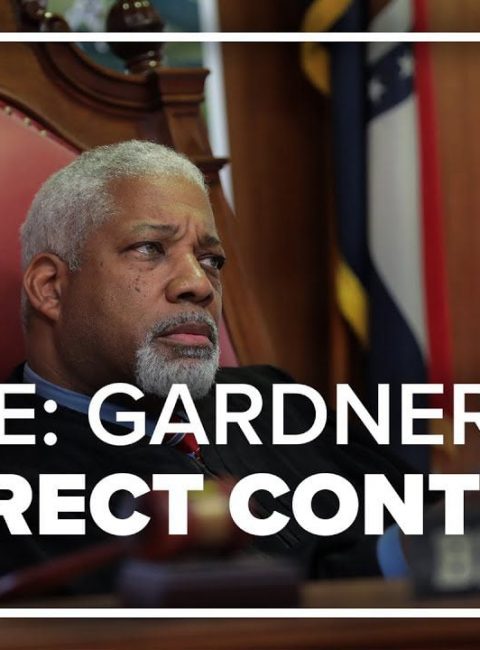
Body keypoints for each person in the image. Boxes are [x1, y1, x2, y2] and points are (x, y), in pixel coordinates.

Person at [3, 140, 409, 594]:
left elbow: (433, 523)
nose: (199, 284)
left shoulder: (275, 400)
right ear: (51, 288)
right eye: (150, 248)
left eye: (210, 259)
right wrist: (395, 559)